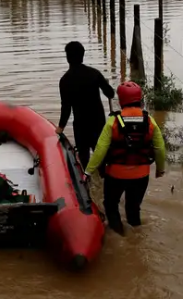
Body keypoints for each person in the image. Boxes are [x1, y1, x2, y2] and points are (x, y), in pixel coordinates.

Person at [83, 81, 167, 235]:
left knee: (111, 205)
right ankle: (135, 235)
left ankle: (119, 235)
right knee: (134, 208)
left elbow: (100, 150)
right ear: (140, 100)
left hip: (116, 175)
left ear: (121, 101)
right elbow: (160, 148)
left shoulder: (113, 121)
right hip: (141, 175)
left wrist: (88, 172)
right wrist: (160, 170)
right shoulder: (149, 120)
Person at [56, 41, 115, 169]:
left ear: (67, 58)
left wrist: (60, 127)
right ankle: (103, 178)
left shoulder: (65, 80)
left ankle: (86, 183)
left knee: (84, 160)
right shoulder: (94, 74)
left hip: (81, 125)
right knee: (101, 157)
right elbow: (110, 93)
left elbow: (66, 108)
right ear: (83, 55)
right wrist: (106, 86)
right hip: (98, 122)